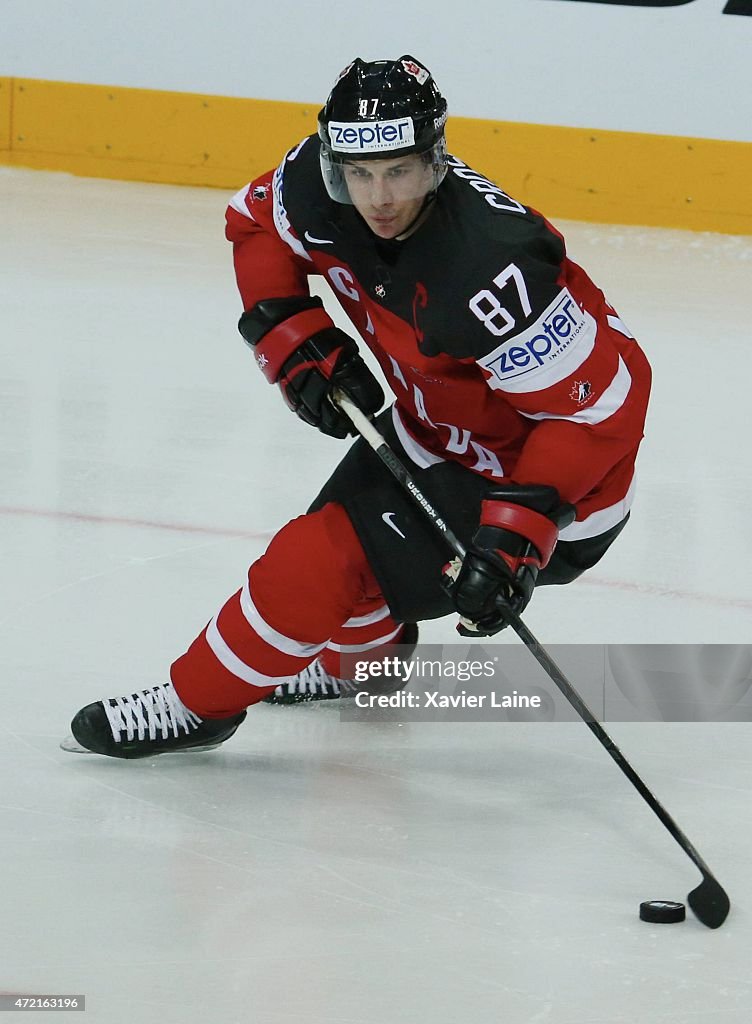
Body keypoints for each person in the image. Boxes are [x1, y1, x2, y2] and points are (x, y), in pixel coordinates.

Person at [65, 55, 651, 758]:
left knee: (313, 561)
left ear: (435, 161)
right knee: (343, 570)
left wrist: (518, 532)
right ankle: (361, 672)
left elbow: (599, 413)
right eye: (360, 172)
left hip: (549, 487)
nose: (378, 196)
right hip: (434, 432)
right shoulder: (318, 182)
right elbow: (253, 227)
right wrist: (294, 337)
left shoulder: (491, 269)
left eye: (399, 170)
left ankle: (195, 705)